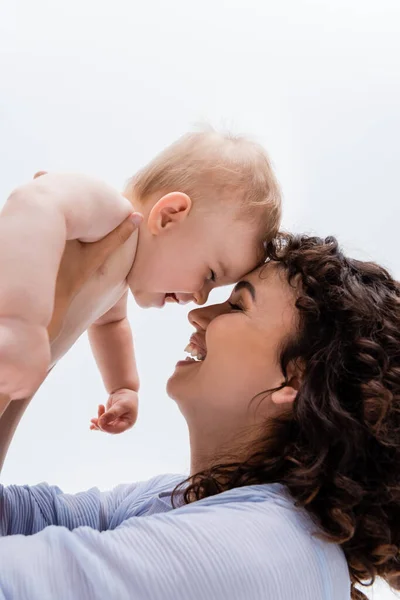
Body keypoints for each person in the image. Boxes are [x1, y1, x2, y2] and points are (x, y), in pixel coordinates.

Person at [2, 233, 400, 600]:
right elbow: (17, 517)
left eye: (237, 305)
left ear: (296, 377)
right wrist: (47, 326)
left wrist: (55, 318)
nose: (198, 315)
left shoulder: (252, 546)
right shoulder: (179, 499)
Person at [0, 130, 281, 435]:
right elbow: (35, 200)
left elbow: (111, 324)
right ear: (169, 216)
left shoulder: (118, 281)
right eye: (211, 276)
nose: (201, 298)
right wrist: (19, 322)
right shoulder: (111, 213)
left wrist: (123, 388)